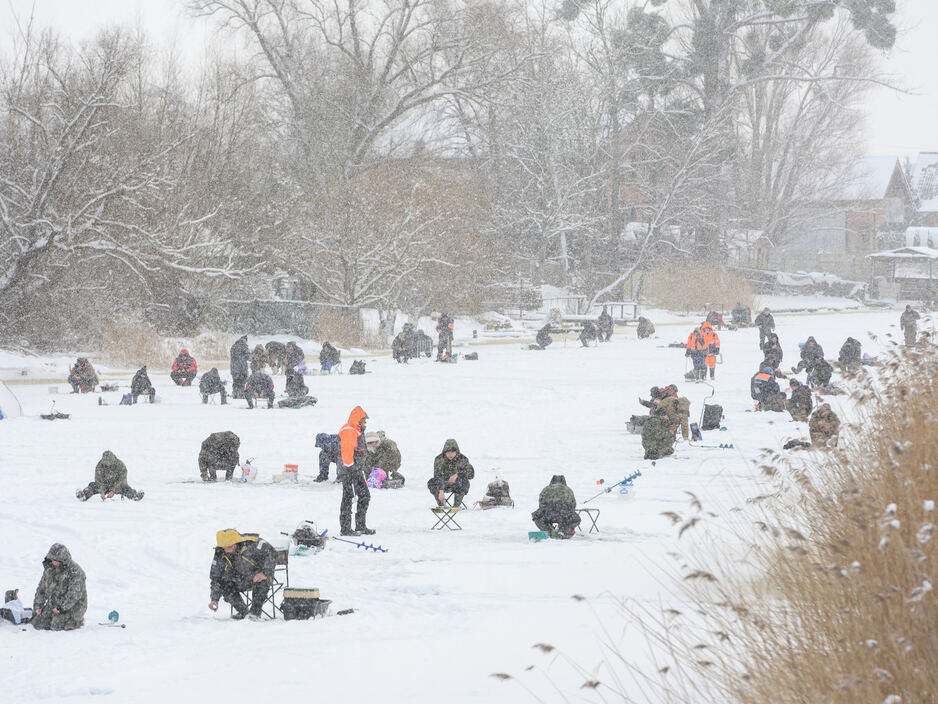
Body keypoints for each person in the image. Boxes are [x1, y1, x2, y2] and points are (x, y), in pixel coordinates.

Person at [208, 529, 276, 620]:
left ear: (236, 543)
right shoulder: (220, 552)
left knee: (261, 581)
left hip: (258, 576)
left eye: (230, 547)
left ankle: (255, 613)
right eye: (225, 548)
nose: (227, 550)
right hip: (239, 581)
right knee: (225, 585)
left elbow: (272, 553)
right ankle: (244, 613)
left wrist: (265, 572)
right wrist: (214, 599)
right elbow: (216, 577)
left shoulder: (252, 543)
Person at [32, 544, 86, 631]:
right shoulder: (50, 569)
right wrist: (38, 606)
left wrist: (61, 608)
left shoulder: (76, 572)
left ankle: (76, 620)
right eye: (52, 560)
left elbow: (74, 595)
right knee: (39, 623)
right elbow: (41, 589)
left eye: (56, 560)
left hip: (73, 606)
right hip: (54, 603)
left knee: (56, 626)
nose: (53, 562)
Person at [338, 406, 373, 535]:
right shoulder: (349, 431)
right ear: (358, 420)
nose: (365, 424)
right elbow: (347, 454)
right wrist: (351, 469)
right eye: (364, 421)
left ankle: (360, 526)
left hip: (356, 471)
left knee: (364, 496)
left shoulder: (357, 431)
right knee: (348, 499)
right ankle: (346, 529)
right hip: (349, 471)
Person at [76, 450, 143, 501]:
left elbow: (122, 479)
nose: (108, 464)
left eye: (109, 462)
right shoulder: (99, 465)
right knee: (92, 485)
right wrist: (102, 491)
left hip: (117, 485)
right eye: (106, 462)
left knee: (126, 488)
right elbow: (98, 479)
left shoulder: (120, 465)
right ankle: (83, 495)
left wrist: (114, 490)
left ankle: (135, 496)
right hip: (104, 486)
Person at [428, 438, 474, 507]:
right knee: (431, 482)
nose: (450, 454)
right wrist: (441, 490)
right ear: (444, 452)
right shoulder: (439, 459)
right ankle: (442, 505)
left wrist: (457, 474)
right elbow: (437, 476)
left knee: (465, 482)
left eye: (453, 452)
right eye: (448, 452)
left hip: (457, 484)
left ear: (456, 451)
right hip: (444, 484)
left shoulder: (462, 459)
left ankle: (456, 506)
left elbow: (471, 474)